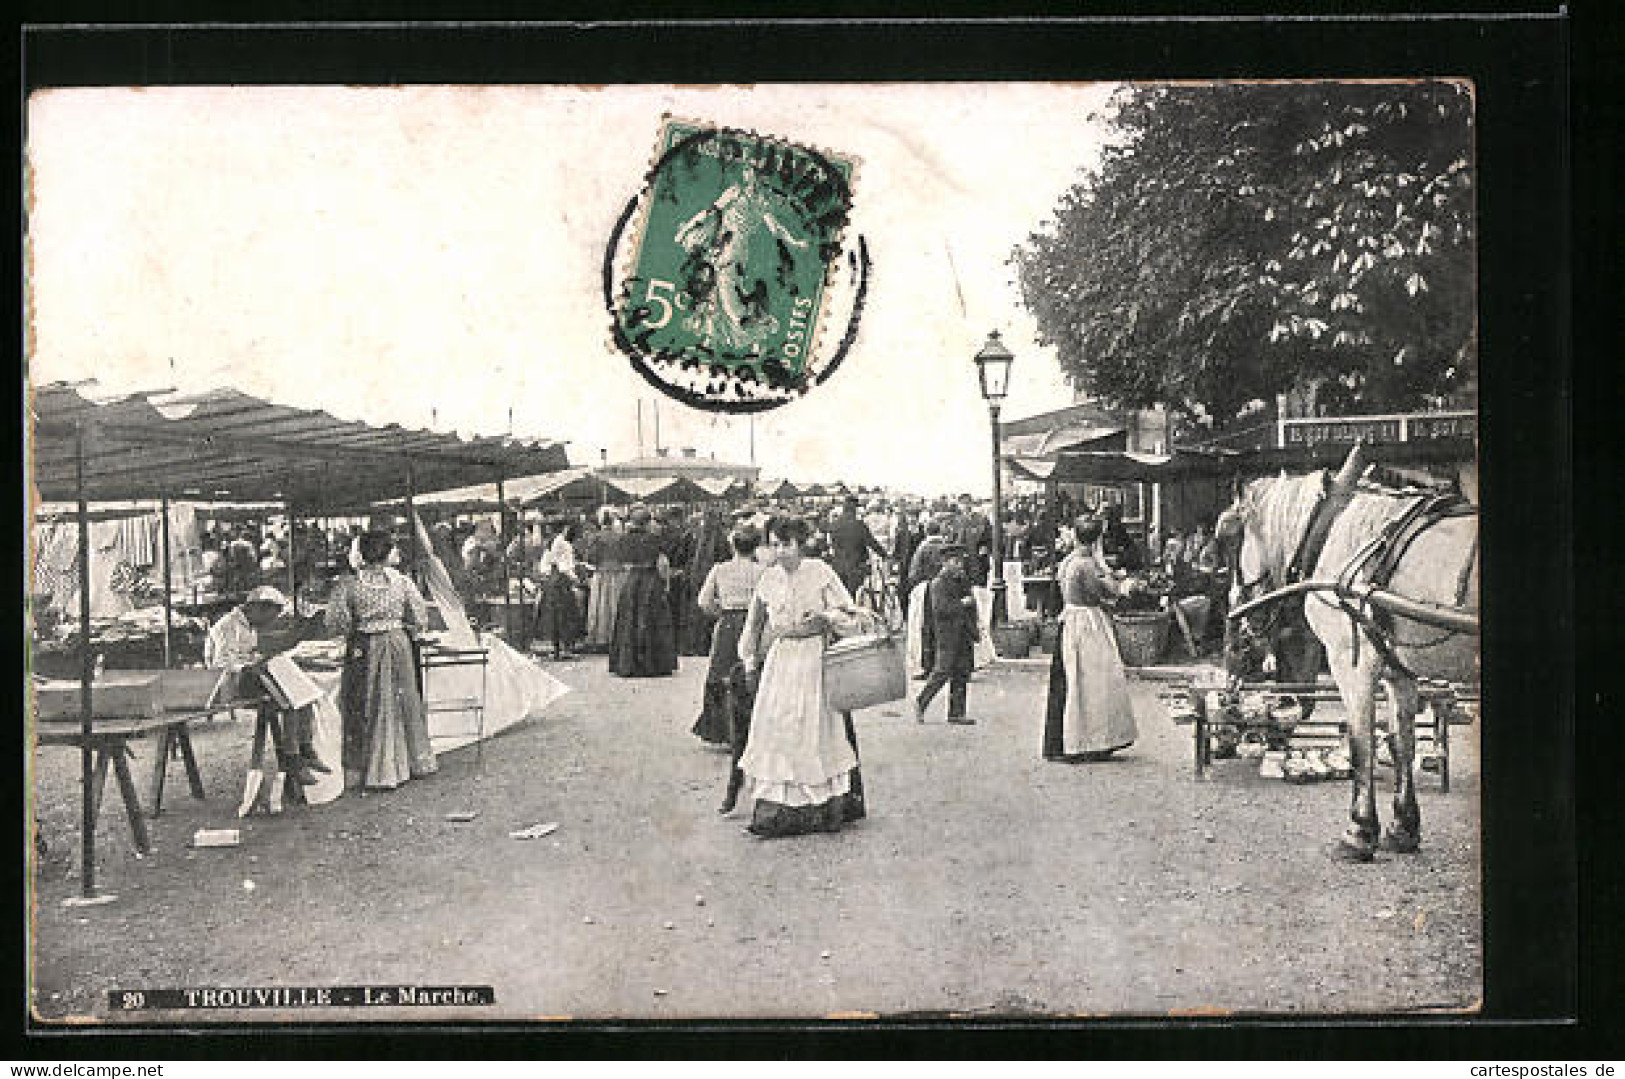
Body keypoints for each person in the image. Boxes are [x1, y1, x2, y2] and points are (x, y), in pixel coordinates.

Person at [736, 516, 866, 838]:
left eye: (788, 544)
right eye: (776, 544)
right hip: (782, 660)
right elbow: (753, 624)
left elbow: (851, 612)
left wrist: (824, 617)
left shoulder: (820, 572)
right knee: (780, 724)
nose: (782, 551)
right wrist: (749, 660)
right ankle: (780, 810)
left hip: (813, 658)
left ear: (801, 543)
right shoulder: (769, 579)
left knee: (815, 726)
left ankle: (823, 807)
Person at [325, 530, 438, 791]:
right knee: (402, 701)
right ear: (386, 554)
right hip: (398, 643)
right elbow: (420, 617)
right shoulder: (402, 583)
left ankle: (375, 768)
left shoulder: (348, 585)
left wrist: (358, 624)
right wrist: (403, 625)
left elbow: (336, 623)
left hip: (365, 646)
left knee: (370, 704)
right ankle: (411, 762)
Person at [206, 585, 326, 785]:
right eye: (269, 617)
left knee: (304, 694)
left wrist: (262, 658)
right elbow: (220, 664)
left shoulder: (249, 625)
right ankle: (293, 759)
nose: (269, 623)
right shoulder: (227, 625)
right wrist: (251, 664)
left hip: (248, 675)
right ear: (257, 608)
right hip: (228, 683)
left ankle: (305, 749)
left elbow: (250, 651)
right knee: (288, 701)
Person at [1043, 517, 1139, 761]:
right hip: (1087, 622)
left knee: (1073, 680)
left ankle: (1066, 740)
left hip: (1071, 619)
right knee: (1096, 682)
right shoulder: (1085, 564)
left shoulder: (1070, 560)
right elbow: (1102, 592)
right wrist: (1124, 585)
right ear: (1097, 538)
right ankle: (1090, 741)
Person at [692, 526, 765, 753]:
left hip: (728, 621)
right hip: (753, 623)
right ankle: (755, 729)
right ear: (756, 547)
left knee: (722, 672)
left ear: (732, 545)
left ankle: (721, 730)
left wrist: (720, 613)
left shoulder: (720, 569)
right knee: (753, 673)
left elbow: (703, 601)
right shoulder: (762, 570)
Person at [608, 505, 678, 678]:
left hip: (632, 580)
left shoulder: (623, 539)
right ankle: (653, 664)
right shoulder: (655, 539)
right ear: (648, 522)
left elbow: (622, 561)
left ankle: (627, 663)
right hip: (651, 580)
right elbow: (663, 562)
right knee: (652, 619)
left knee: (629, 619)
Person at [913, 545, 980, 725]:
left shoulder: (962, 581)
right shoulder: (939, 583)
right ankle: (921, 701)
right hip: (947, 634)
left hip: (963, 632)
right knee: (942, 671)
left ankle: (956, 712)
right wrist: (962, 604)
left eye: (961, 562)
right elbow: (941, 610)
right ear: (945, 563)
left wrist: (974, 627)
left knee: (962, 672)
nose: (960, 565)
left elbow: (972, 605)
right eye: (955, 562)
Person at [532, 520, 583, 660]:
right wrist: (575, 578)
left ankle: (555, 648)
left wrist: (547, 575)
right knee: (566, 615)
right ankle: (565, 648)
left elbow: (544, 566)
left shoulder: (549, 544)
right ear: (564, 528)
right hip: (562, 582)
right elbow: (564, 567)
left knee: (552, 615)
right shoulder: (564, 544)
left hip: (551, 581)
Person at [906, 519, 950, 678]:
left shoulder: (923, 549)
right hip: (946, 589)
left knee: (927, 628)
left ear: (926, 531)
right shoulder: (947, 547)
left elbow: (914, 574)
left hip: (928, 590)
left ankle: (929, 666)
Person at [828, 495, 888, 599]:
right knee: (855, 599)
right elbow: (872, 543)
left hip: (838, 568)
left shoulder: (834, 525)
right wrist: (885, 555)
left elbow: (832, 545)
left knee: (841, 598)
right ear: (854, 509)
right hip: (856, 568)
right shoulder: (859, 525)